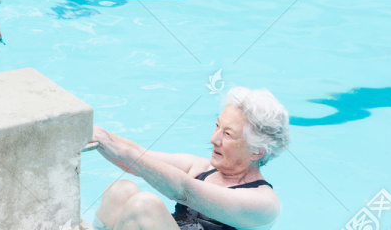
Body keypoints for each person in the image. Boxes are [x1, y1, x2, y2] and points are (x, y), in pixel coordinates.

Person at [92, 87, 290, 230]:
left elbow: (184, 190)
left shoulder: (264, 203)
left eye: (228, 134)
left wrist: (126, 153)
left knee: (145, 205)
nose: (214, 139)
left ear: (257, 151)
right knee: (120, 189)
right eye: (217, 125)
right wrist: (95, 136)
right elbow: (138, 158)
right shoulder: (200, 167)